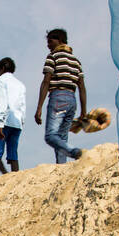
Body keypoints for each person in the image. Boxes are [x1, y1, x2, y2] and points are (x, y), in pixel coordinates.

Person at [35, 28, 86, 164]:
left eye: (50, 41)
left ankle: (74, 152)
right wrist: (84, 112)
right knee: (62, 139)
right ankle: (61, 168)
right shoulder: (76, 61)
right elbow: (81, 87)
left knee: (51, 136)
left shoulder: (53, 57)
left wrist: (39, 107)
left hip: (58, 97)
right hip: (72, 100)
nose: (48, 45)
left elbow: (46, 81)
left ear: (60, 40)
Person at [0, 57, 26, 174]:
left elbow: (2, 103)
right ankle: (16, 176)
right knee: (13, 154)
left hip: (3, 122)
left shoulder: (0, 81)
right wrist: (21, 122)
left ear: (3, 68)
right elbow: (22, 105)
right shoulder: (20, 84)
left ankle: (6, 175)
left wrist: (0, 123)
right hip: (17, 123)